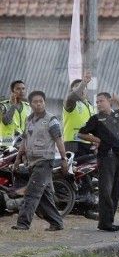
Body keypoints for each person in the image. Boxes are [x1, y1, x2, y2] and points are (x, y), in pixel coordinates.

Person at [11, 91, 68, 231]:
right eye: (35, 102)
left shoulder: (51, 119)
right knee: (44, 196)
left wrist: (63, 158)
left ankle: (23, 224)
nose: (38, 104)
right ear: (30, 104)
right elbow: (24, 140)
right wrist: (18, 158)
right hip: (31, 162)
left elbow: (58, 140)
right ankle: (57, 222)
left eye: (41, 101)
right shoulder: (28, 119)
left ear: (44, 102)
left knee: (31, 193)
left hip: (44, 162)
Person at [78, 92, 119, 232]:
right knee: (105, 190)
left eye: (102, 101)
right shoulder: (96, 119)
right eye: (97, 101)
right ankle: (105, 223)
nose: (99, 104)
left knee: (115, 191)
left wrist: (118, 99)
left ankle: (109, 221)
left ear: (109, 102)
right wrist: (97, 140)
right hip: (106, 156)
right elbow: (81, 133)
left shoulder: (116, 115)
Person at [63, 71, 96, 159]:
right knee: (74, 170)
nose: (81, 89)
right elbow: (72, 97)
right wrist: (84, 83)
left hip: (89, 144)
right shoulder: (70, 103)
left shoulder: (90, 106)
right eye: (76, 87)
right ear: (71, 90)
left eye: (84, 87)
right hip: (73, 143)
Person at [0, 80, 30, 147]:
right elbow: (5, 121)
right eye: (18, 89)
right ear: (12, 91)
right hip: (6, 142)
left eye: (23, 88)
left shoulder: (28, 107)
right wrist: (13, 105)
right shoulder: (3, 106)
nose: (21, 91)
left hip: (20, 143)